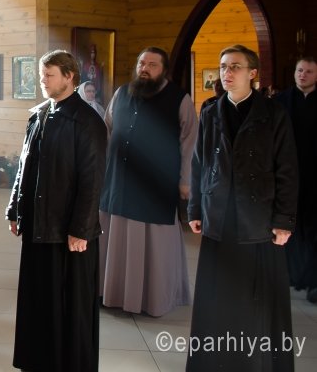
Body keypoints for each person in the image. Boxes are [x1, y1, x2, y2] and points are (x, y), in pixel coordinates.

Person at [187, 45, 298, 371]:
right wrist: (195, 208)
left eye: (235, 66)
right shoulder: (210, 111)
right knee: (218, 296)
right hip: (219, 216)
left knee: (255, 300)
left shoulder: (274, 113)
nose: (227, 72)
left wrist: (283, 220)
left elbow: (287, 169)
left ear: (253, 73)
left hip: (258, 220)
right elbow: (199, 164)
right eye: (223, 66)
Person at [6, 49, 106, 372]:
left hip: (69, 232)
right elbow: (24, 167)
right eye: (41, 75)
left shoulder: (88, 121)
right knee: (38, 300)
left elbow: (92, 180)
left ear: (69, 77)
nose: (43, 81)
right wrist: (14, 208)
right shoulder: (38, 114)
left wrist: (81, 229)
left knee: (69, 306)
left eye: (49, 75)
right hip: (38, 224)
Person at [98, 47, 196, 317]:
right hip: (119, 178)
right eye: (142, 63)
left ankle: (152, 299)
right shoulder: (121, 93)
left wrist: (185, 180)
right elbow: (107, 131)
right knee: (114, 234)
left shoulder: (180, 99)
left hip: (156, 183)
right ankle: (111, 293)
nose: (145, 68)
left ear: (164, 70)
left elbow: (190, 143)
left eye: (152, 65)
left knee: (154, 242)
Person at [275, 56, 317, 301]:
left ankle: (313, 280)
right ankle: (290, 275)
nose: (303, 75)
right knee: (290, 225)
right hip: (288, 173)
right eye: (300, 70)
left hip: (315, 176)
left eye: (309, 71)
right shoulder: (280, 102)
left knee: (313, 228)